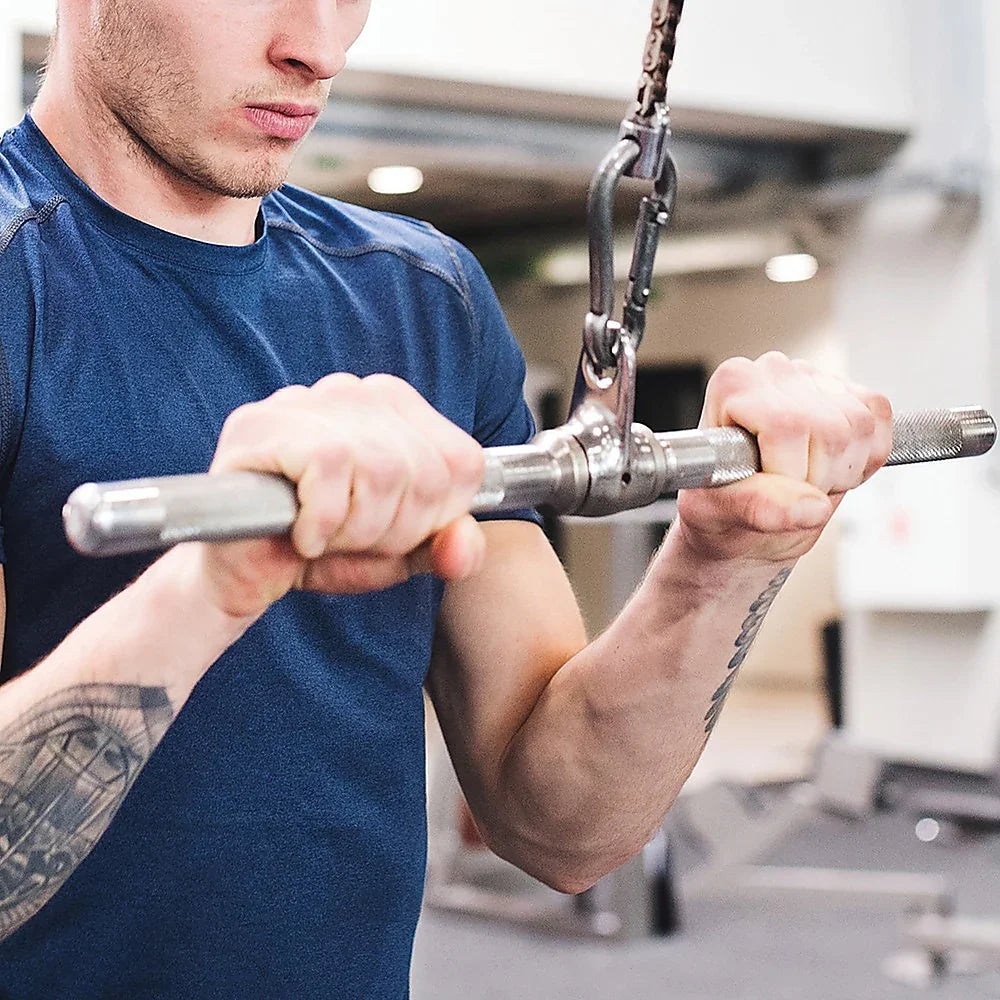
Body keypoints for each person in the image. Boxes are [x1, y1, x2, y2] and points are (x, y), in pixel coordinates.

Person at [0, 0, 892, 997]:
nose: (321, 47)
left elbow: (562, 822)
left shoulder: (423, 296)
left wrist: (723, 561)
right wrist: (217, 583)